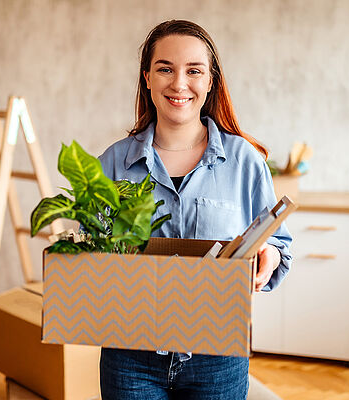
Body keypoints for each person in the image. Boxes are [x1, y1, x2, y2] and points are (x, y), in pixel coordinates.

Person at [98, 19, 292, 400]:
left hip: (217, 356)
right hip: (130, 354)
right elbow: (92, 250)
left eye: (194, 71)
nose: (179, 83)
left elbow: (279, 244)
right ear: (148, 78)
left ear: (210, 81)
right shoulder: (113, 164)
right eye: (165, 69)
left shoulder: (244, 162)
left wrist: (269, 255)